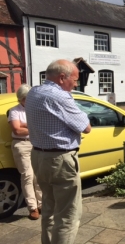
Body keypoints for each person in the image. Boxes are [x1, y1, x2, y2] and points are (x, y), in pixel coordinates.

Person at [26, 59, 91, 244]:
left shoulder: (33, 92)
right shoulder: (60, 96)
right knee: (68, 215)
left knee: (48, 208)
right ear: (62, 77)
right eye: (75, 79)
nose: (76, 84)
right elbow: (86, 127)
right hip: (60, 159)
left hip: (38, 156)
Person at [8, 83, 42, 220]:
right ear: (21, 98)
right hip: (22, 145)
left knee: (38, 176)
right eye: (26, 98)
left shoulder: (36, 109)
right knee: (27, 176)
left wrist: (24, 125)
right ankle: (32, 207)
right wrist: (33, 127)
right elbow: (17, 130)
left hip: (36, 144)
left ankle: (42, 204)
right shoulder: (14, 111)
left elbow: (42, 125)